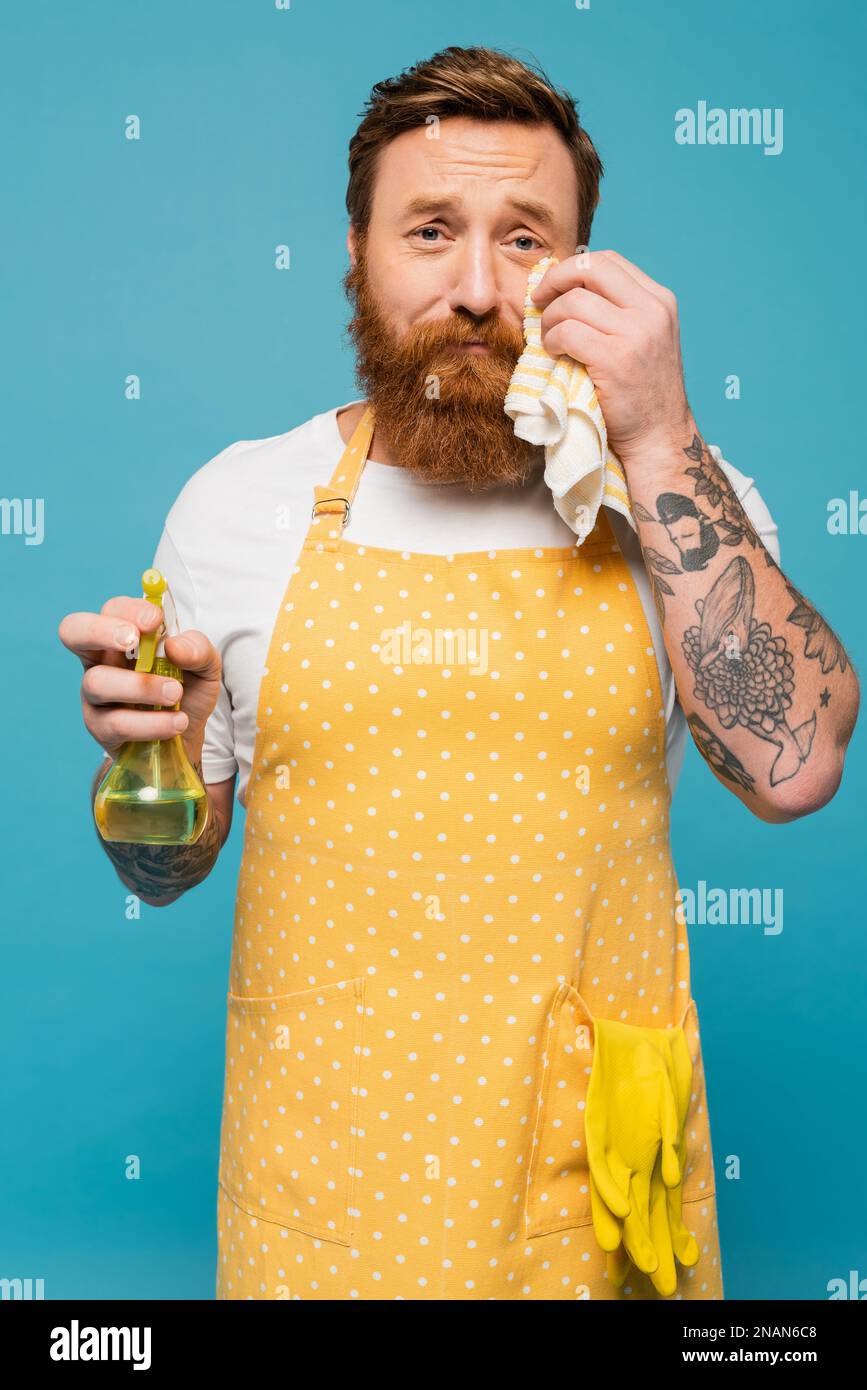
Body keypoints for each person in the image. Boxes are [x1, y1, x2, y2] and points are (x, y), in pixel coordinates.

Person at [58, 45, 859, 1301]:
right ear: (358, 257)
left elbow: (797, 762)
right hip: (322, 1210)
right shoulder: (239, 505)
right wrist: (149, 765)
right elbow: (166, 872)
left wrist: (657, 430)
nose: (478, 287)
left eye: (526, 238)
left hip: (589, 1211)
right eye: (430, 230)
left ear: (584, 269)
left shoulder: (670, 496)